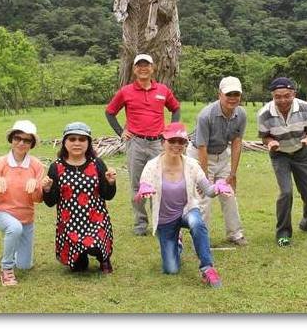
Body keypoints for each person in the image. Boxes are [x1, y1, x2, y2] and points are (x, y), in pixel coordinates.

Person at [136, 122, 233, 288]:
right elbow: (144, 186)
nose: (176, 145)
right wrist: (144, 188)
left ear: (185, 144)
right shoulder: (152, 166)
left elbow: (208, 191)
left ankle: (207, 268)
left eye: (181, 142)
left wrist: (218, 187)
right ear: (162, 143)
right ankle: (177, 242)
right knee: (171, 269)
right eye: (172, 141)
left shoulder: (191, 165)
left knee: (197, 222)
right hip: (165, 219)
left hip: (186, 210)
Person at [105, 53, 180, 236]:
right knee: (137, 185)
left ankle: (159, 221)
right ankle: (140, 223)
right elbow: (110, 112)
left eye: (146, 65)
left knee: (159, 182)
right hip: (136, 143)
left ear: (153, 68)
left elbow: (175, 108)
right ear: (134, 69)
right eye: (139, 65)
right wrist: (121, 132)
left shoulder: (162, 90)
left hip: (157, 144)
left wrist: (170, 131)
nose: (143, 68)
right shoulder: (126, 91)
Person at [41, 122, 117, 273]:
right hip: (70, 224)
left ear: (88, 143)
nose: (77, 143)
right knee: (79, 268)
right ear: (65, 143)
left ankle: (104, 258)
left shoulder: (97, 164)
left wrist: (110, 183)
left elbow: (107, 195)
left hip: (96, 220)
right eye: (72, 139)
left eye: (82, 139)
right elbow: (51, 202)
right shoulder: (56, 167)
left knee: (95, 246)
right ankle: (80, 257)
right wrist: (48, 189)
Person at [257, 77, 307, 247]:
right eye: (278, 96)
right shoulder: (264, 113)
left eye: (287, 95)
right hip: (279, 154)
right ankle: (283, 232)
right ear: (272, 95)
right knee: (286, 193)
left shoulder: (306, 108)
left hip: (302, 153)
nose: (282, 100)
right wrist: (270, 142)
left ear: (294, 94)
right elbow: (265, 136)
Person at [186, 76, 247, 246]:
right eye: (229, 94)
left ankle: (235, 233)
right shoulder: (206, 115)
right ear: (220, 94)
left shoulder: (240, 114)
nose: (233, 98)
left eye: (236, 94)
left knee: (229, 194)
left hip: (222, 155)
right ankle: (201, 238)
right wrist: (204, 178)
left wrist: (233, 173)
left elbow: (236, 142)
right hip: (199, 155)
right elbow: (202, 147)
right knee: (203, 197)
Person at [0, 120, 44, 286]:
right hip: (0, 212)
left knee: (25, 265)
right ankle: (6, 269)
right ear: (11, 139)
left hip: (26, 217)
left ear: (32, 144)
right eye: (17, 138)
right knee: (14, 228)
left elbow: (38, 200)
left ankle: (14, 247)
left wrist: (36, 189)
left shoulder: (37, 165)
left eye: (27, 140)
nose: (21, 143)